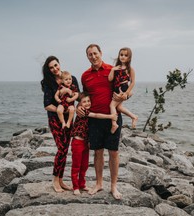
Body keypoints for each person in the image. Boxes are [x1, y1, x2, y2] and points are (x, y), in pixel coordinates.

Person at [78, 44, 125, 200]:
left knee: (113, 152)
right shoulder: (85, 76)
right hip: (94, 118)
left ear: (101, 53)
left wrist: (125, 96)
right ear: (87, 57)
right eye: (90, 54)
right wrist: (78, 107)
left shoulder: (112, 69)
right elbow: (84, 97)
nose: (93, 56)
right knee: (97, 151)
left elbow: (123, 88)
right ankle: (99, 183)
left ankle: (113, 186)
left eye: (95, 53)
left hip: (113, 116)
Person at [41, 56, 80, 193]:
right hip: (55, 119)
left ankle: (61, 180)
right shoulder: (48, 83)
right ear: (49, 70)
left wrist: (70, 92)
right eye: (51, 67)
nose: (55, 69)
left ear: (59, 63)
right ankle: (55, 180)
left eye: (56, 65)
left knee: (65, 149)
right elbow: (47, 105)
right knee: (62, 148)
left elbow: (79, 96)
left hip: (69, 119)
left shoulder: (71, 78)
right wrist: (61, 107)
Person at [71, 92, 117, 195]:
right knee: (76, 166)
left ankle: (82, 184)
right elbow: (96, 115)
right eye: (84, 102)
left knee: (84, 165)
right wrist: (110, 116)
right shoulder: (82, 111)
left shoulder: (88, 110)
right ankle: (75, 187)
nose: (87, 103)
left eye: (88, 101)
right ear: (79, 104)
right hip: (77, 142)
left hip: (85, 143)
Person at [108, 47, 138, 134]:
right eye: (121, 55)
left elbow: (132, 82)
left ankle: (114, 123)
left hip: (122, 90)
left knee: (112, 106)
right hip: (116, 89)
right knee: (119, 107)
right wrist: (113, 70)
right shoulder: (116, 68)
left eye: (125, 55)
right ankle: (134, 116)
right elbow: (110, 79)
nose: (123, 57)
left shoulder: (130, 69)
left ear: (129, 57)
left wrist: (127, 93)